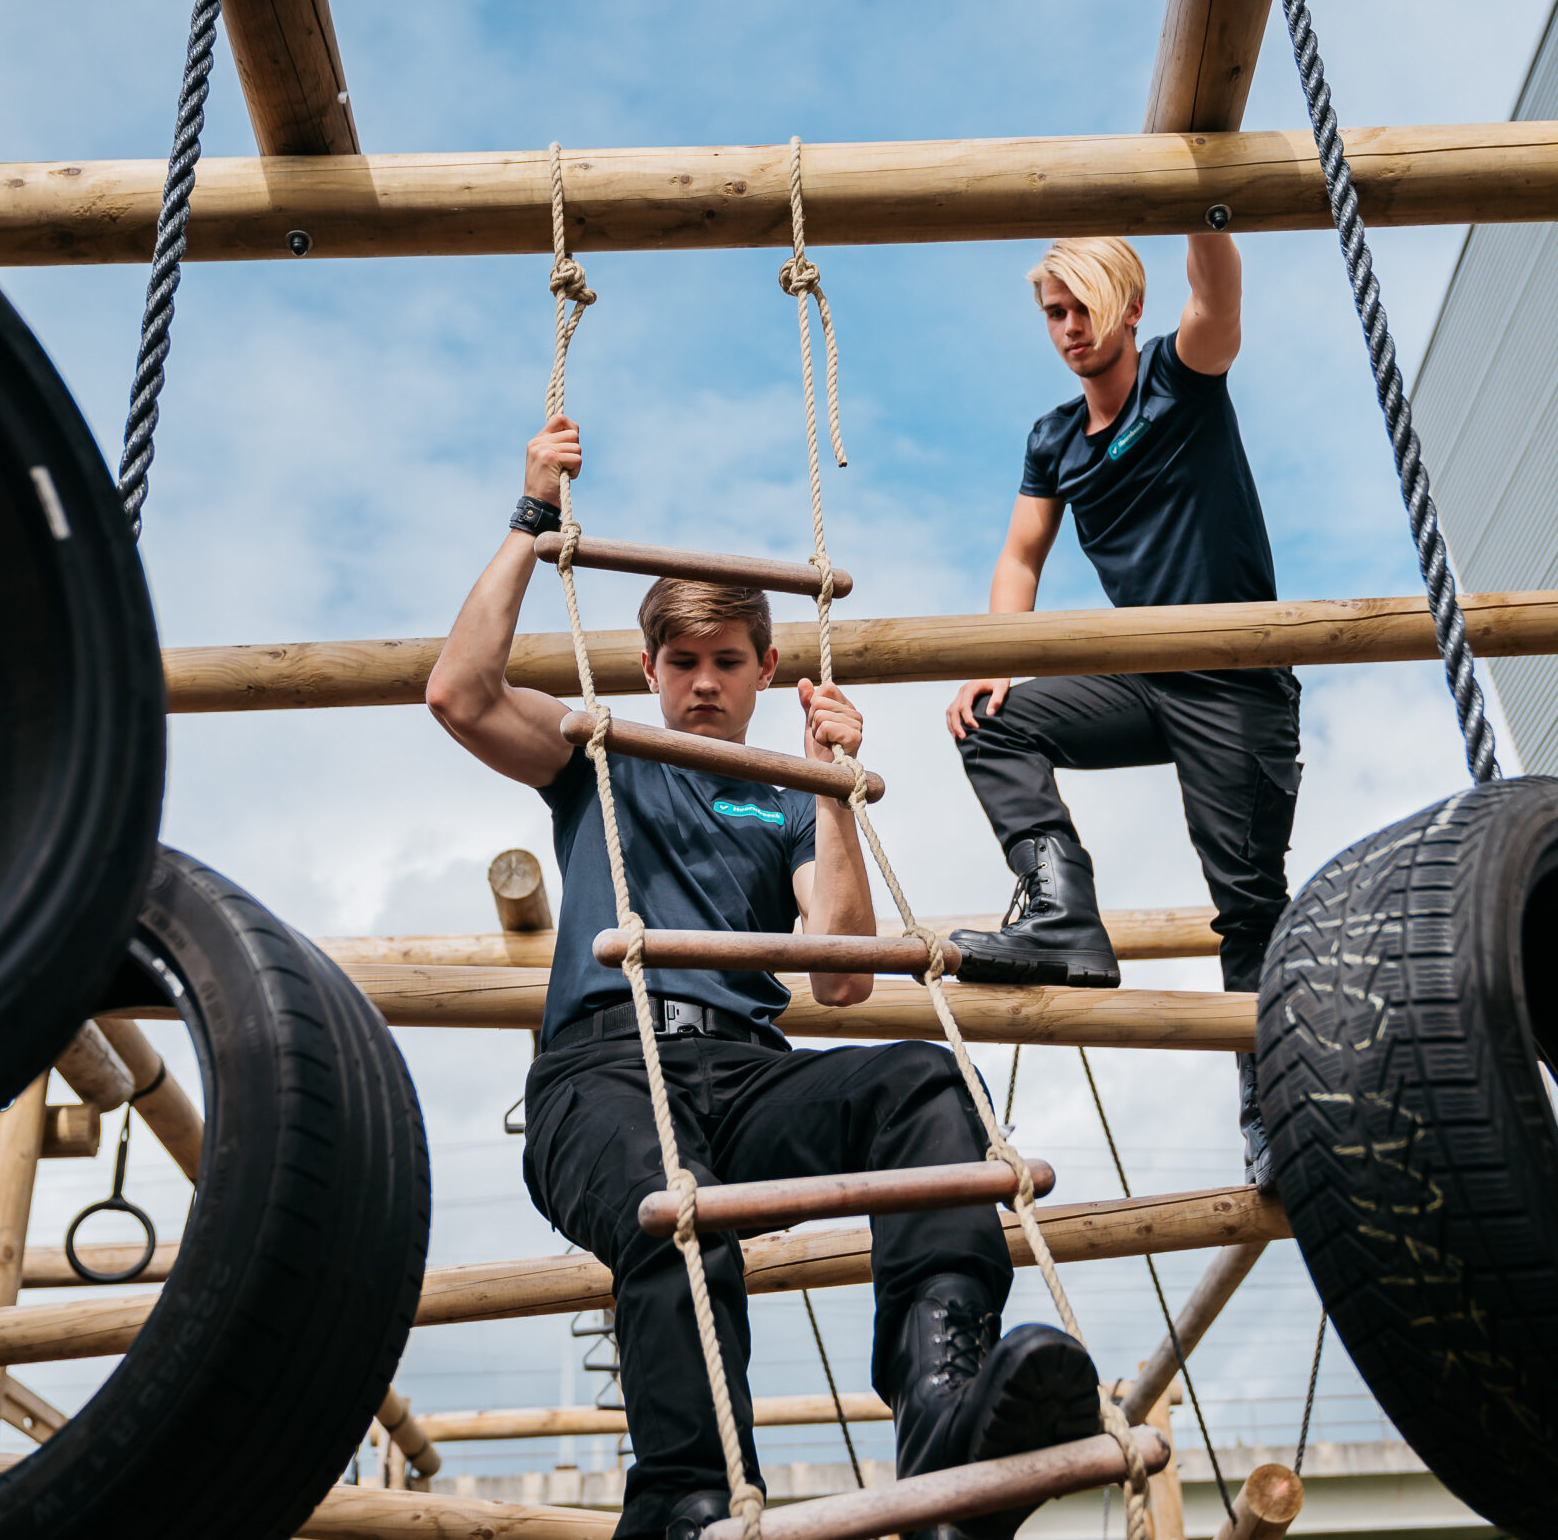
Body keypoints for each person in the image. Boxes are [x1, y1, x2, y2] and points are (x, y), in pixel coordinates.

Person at [427, 414, 1106, 1540]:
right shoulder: (600, 752)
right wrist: (532, 519)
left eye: (726, 664)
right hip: (602, 1075)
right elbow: (459, 692)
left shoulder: (784, 795)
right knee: (672, 1203)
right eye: (682, 664)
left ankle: (943, 1411)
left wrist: (833, 782)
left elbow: (839, 972)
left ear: (764, 671)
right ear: (649, 670)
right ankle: (691, 1498)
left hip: (742, 1070)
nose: (702, 685)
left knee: (925, 1085)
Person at [942, 235, 1300, 1188]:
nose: (1066, 331)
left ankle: (1276, 1113)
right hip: (1144, 680)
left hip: (1234, 683)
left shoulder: (1179, 382)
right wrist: (996, 663)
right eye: (1052, 315)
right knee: (993, 720)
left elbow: (1216, 296)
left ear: (1128, 308)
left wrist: (1201, 207)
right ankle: (1063, 913)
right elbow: (1020, 560)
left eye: (1081, 309)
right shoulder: (1053, 438)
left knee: (1251, 914)